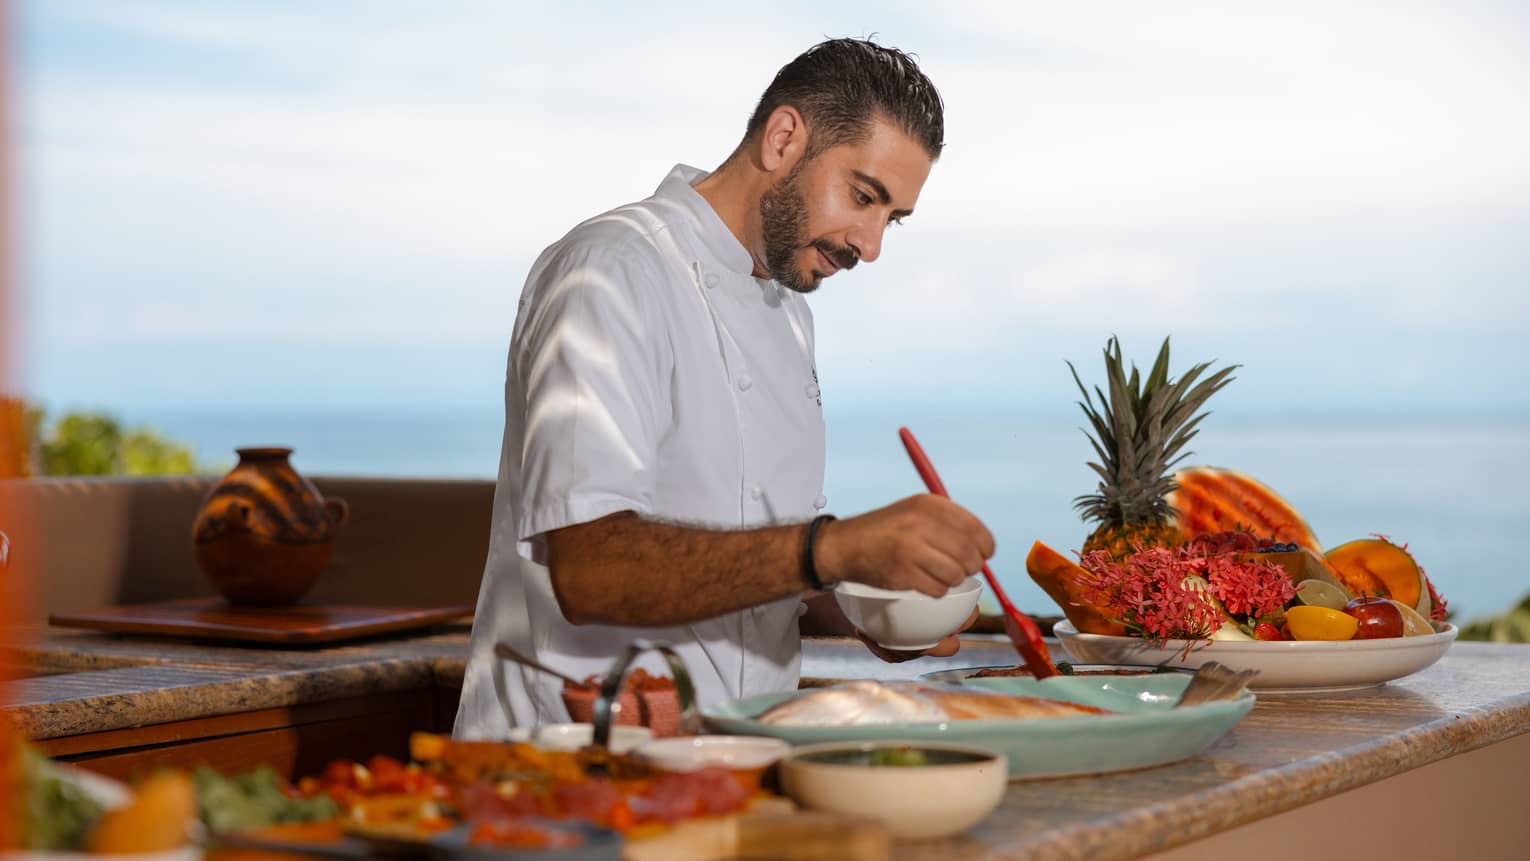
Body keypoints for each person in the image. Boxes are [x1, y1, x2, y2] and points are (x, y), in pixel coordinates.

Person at [454, 37, 995, 738]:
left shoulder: (788, 313)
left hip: (727, 751)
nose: (871, 244)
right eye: (864, 196)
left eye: (891, 218)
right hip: (568, 760)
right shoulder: (612, 270)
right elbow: (590, 569)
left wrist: (867, 601)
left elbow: (747, 571)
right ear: (783, 138)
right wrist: (834, 547)